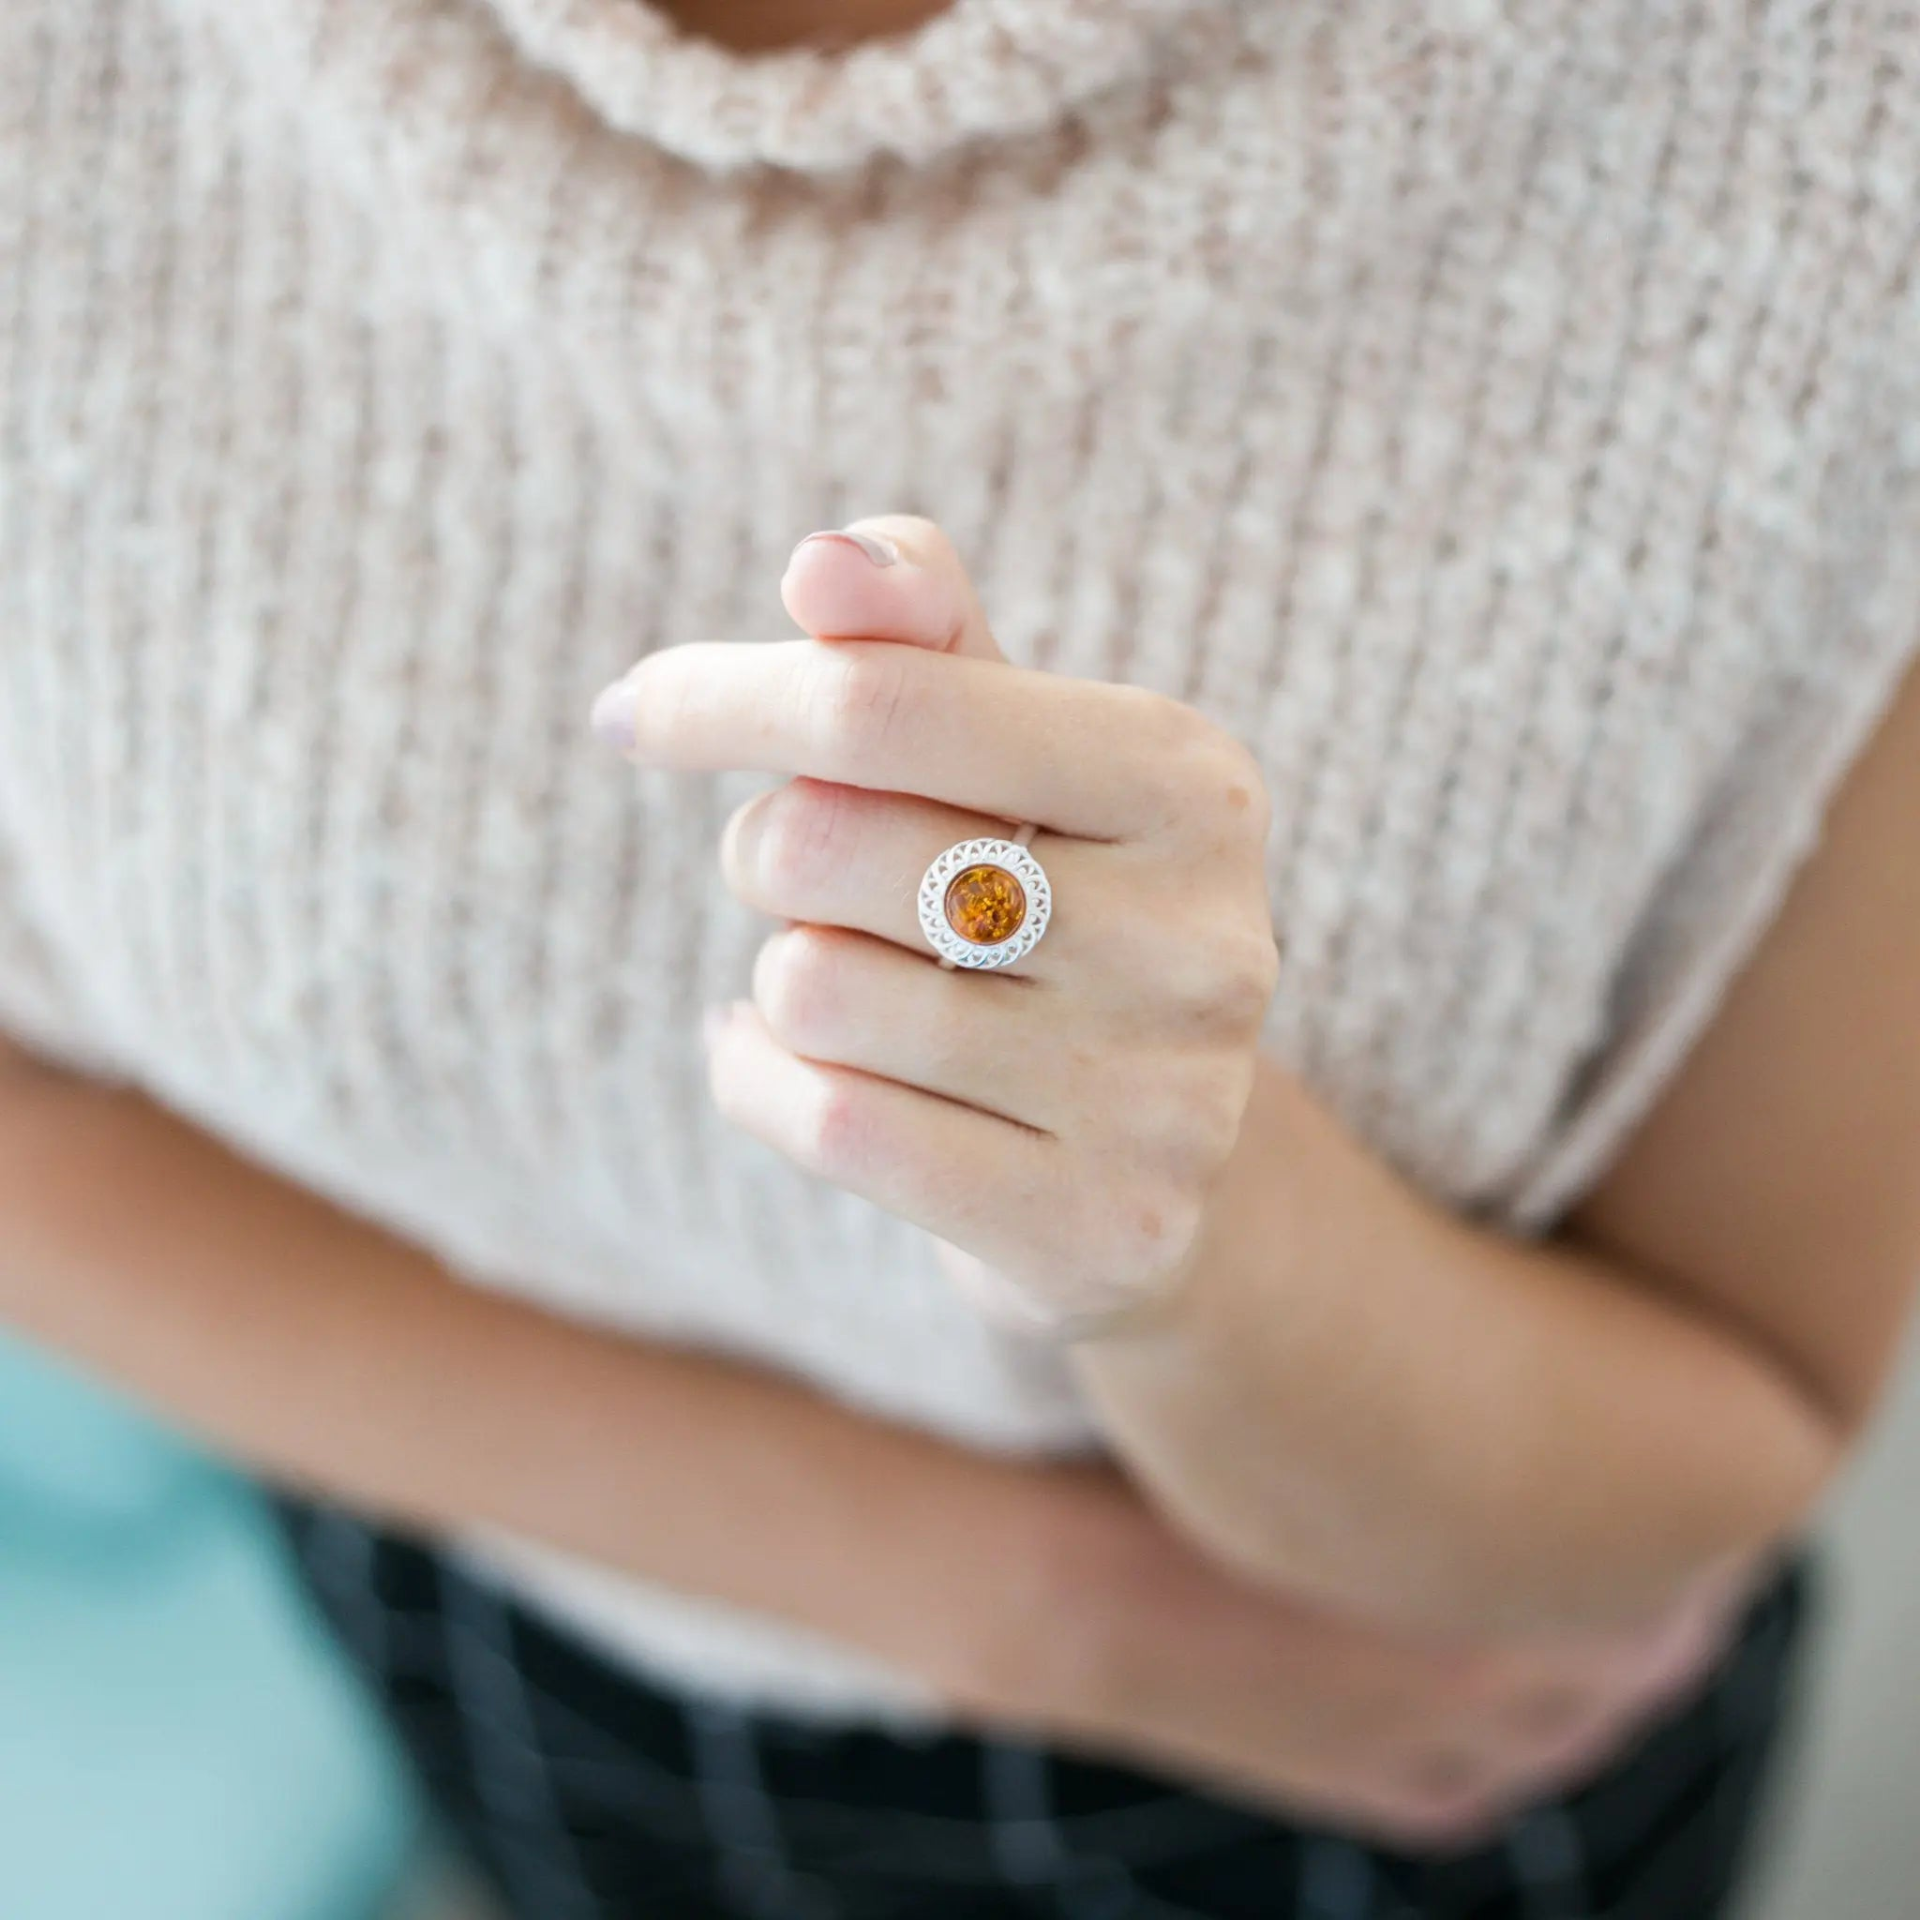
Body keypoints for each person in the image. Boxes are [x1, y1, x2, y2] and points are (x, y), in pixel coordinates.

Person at [2, 1, 1916, 1915]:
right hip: (487, 1591)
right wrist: (1000, 1599)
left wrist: (1172, 1222)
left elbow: (1734, 1396)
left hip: (1390, 1757)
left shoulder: (1824, 111)